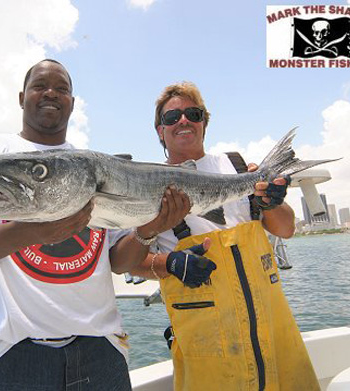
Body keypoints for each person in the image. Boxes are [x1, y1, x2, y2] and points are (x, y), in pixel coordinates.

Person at [0, 59, 189, 390]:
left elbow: (119, 262)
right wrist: (33, 231)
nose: (51, 93)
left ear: (73, 102)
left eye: (62, 88)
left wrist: (149, 230)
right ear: (22, 97)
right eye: (40, 86)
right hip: (9, 358)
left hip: (102, 351)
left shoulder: (100, 166)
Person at [129, 82, 319, 390]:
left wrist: (273, 201)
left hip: (272, 328)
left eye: (193, 113)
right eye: (171, 117)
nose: (183, 121)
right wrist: (172, 264)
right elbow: (132, 262)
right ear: (159, 131)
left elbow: (286, 229)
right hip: (207, 341)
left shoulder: (238, 166)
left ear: (204, 121)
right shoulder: (147, 185)